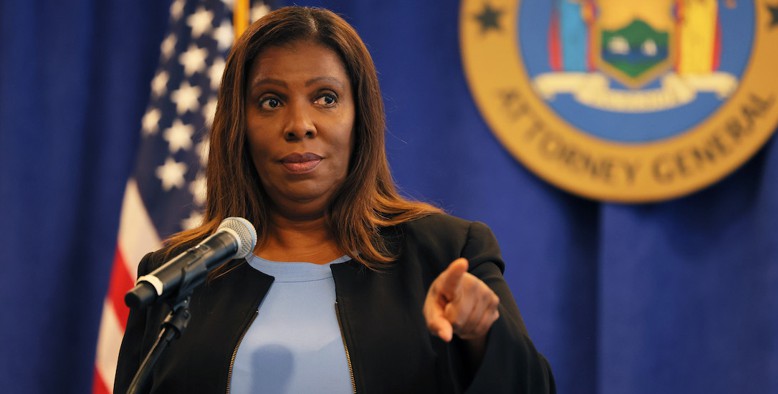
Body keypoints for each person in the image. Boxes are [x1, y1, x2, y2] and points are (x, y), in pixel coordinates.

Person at [115, 6, 555, 393]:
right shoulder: (177, 274)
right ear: (239, 128)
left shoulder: (445, 253)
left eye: (326, 98)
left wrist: (481, 335)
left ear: (359, 117)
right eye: (270, 102)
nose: (299, 124)